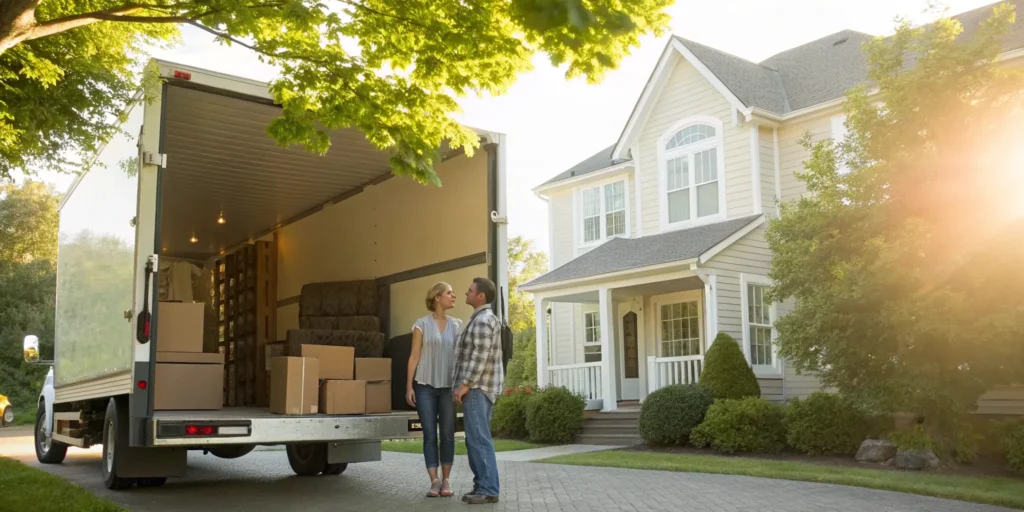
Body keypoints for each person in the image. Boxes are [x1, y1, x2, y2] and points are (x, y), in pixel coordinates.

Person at [406, 282, 463, 498]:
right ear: (437, 297)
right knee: (430, 435)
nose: (454, 295)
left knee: (447, 435)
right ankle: (434, 481)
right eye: (450, 292)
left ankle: (447, 480)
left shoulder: (458, 325)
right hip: (424, 387)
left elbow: (461, 358)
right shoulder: (421, 324)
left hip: (448, 388)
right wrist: (408, 386)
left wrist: (462, 385)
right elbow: (414, 357)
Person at [452, 277, 504, 505]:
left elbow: (479, 356)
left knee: (479, 439)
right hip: (478, 388)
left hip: (477, 388)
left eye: (470, 290)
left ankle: (489, 488)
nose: (466, 293)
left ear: (480, 295)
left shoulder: (483, 321)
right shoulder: (481, 319)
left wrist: (465, 384)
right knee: (474, 439)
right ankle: (481, 485)